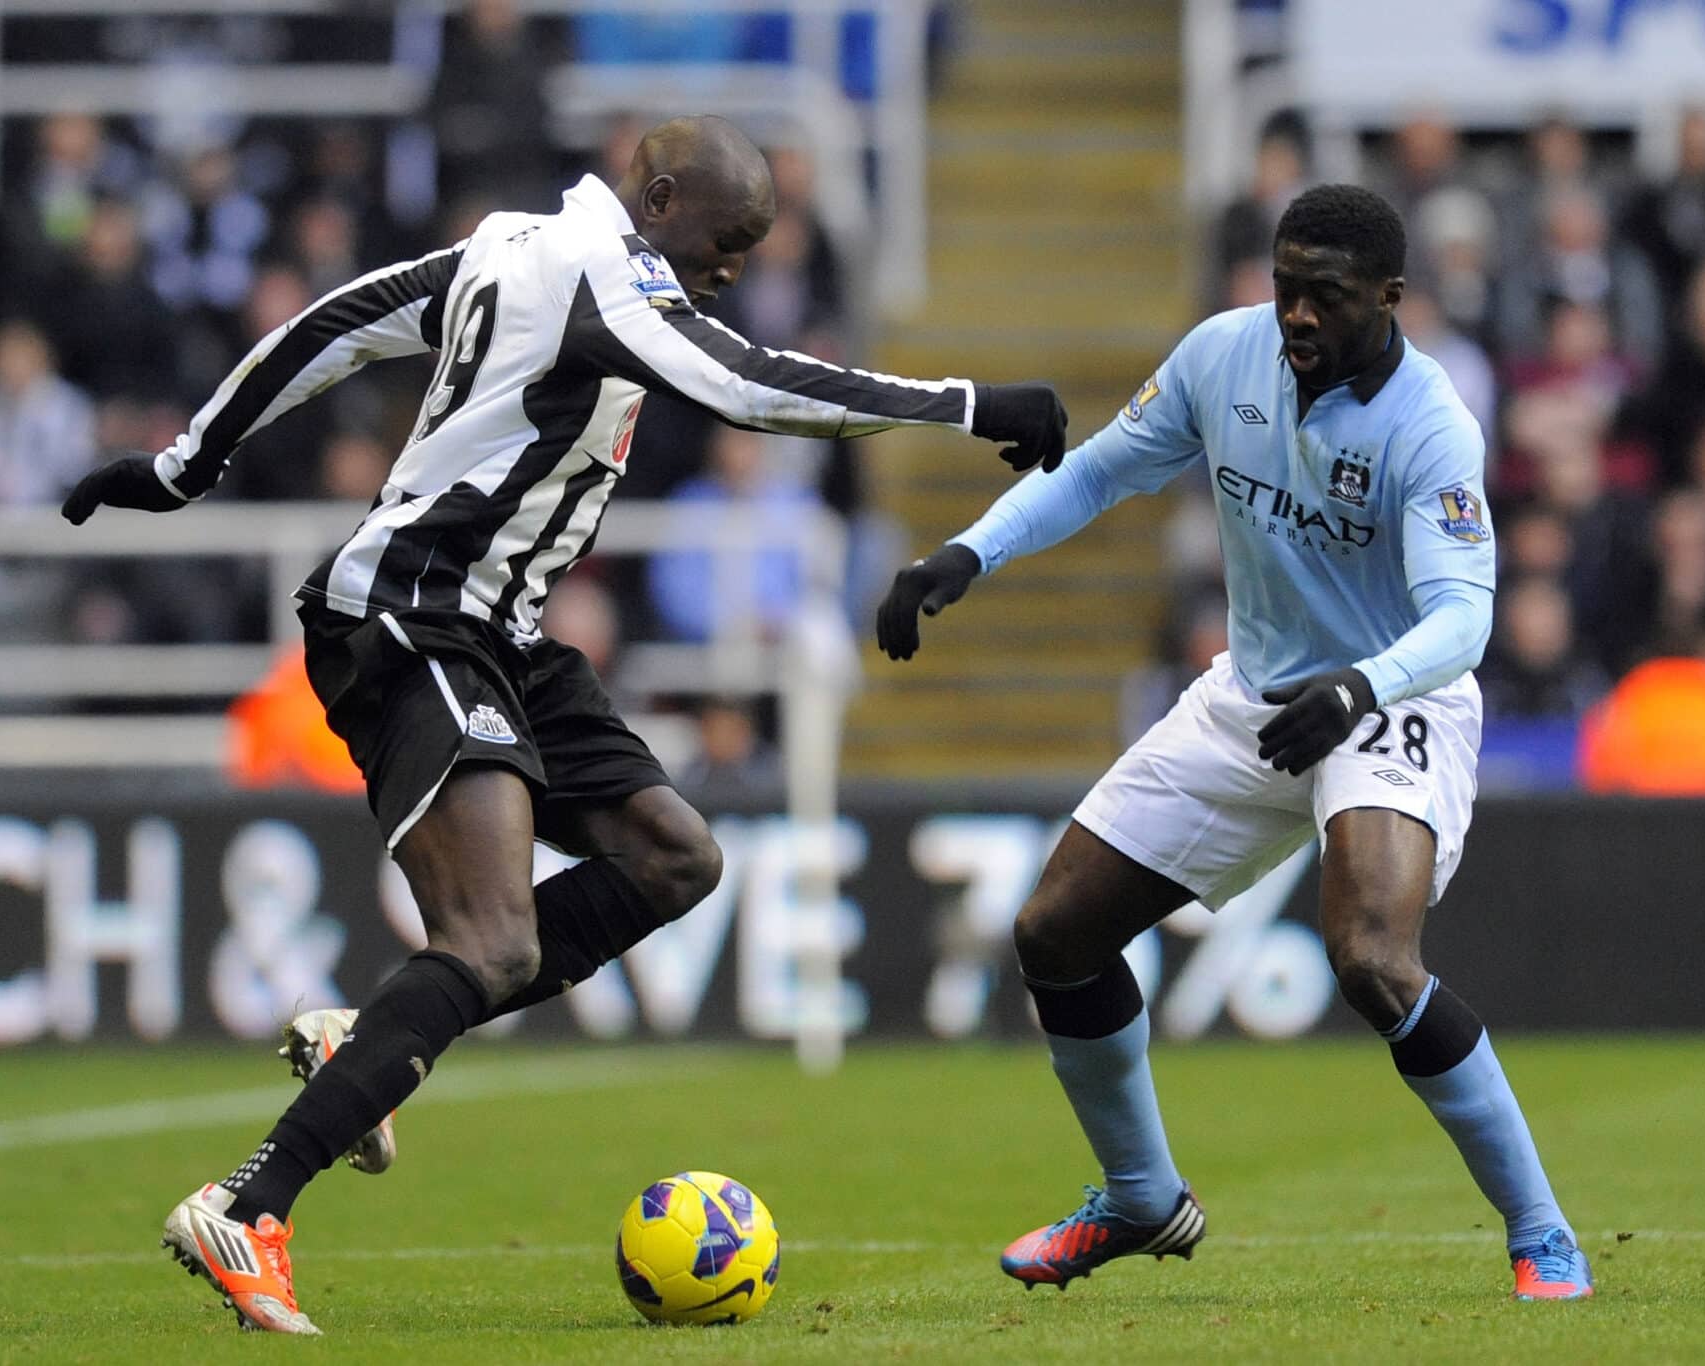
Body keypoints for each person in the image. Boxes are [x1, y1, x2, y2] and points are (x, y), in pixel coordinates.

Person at [59, 113, 1066, 1335]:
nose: (732, 267)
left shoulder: (509, 248)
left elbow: (338, 322)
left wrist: (186, 460)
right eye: (725, 239)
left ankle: (367, 1040)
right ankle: (247, 1204)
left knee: (673, 856)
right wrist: (967, 403)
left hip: (504, 629)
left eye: (750, 248)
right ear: (660, 199)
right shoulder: (603, 276)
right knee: (490, 939)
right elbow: (750, 385)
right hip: (414, 614)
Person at [875, 184, 1593, 1302]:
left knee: (1370, 958)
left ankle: (1542, 1232)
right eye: (1284, 287)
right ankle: (1140, 1197)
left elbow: (1462, 618)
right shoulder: (1224, 355)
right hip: (1251, 698)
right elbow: (1100, 469)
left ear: (1390, 298)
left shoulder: (1431, 423)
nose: (1296, 314)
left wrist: (1359, 685)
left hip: (1392, 696)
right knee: (1054, 933)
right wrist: (965, 553)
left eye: (1325, 296)